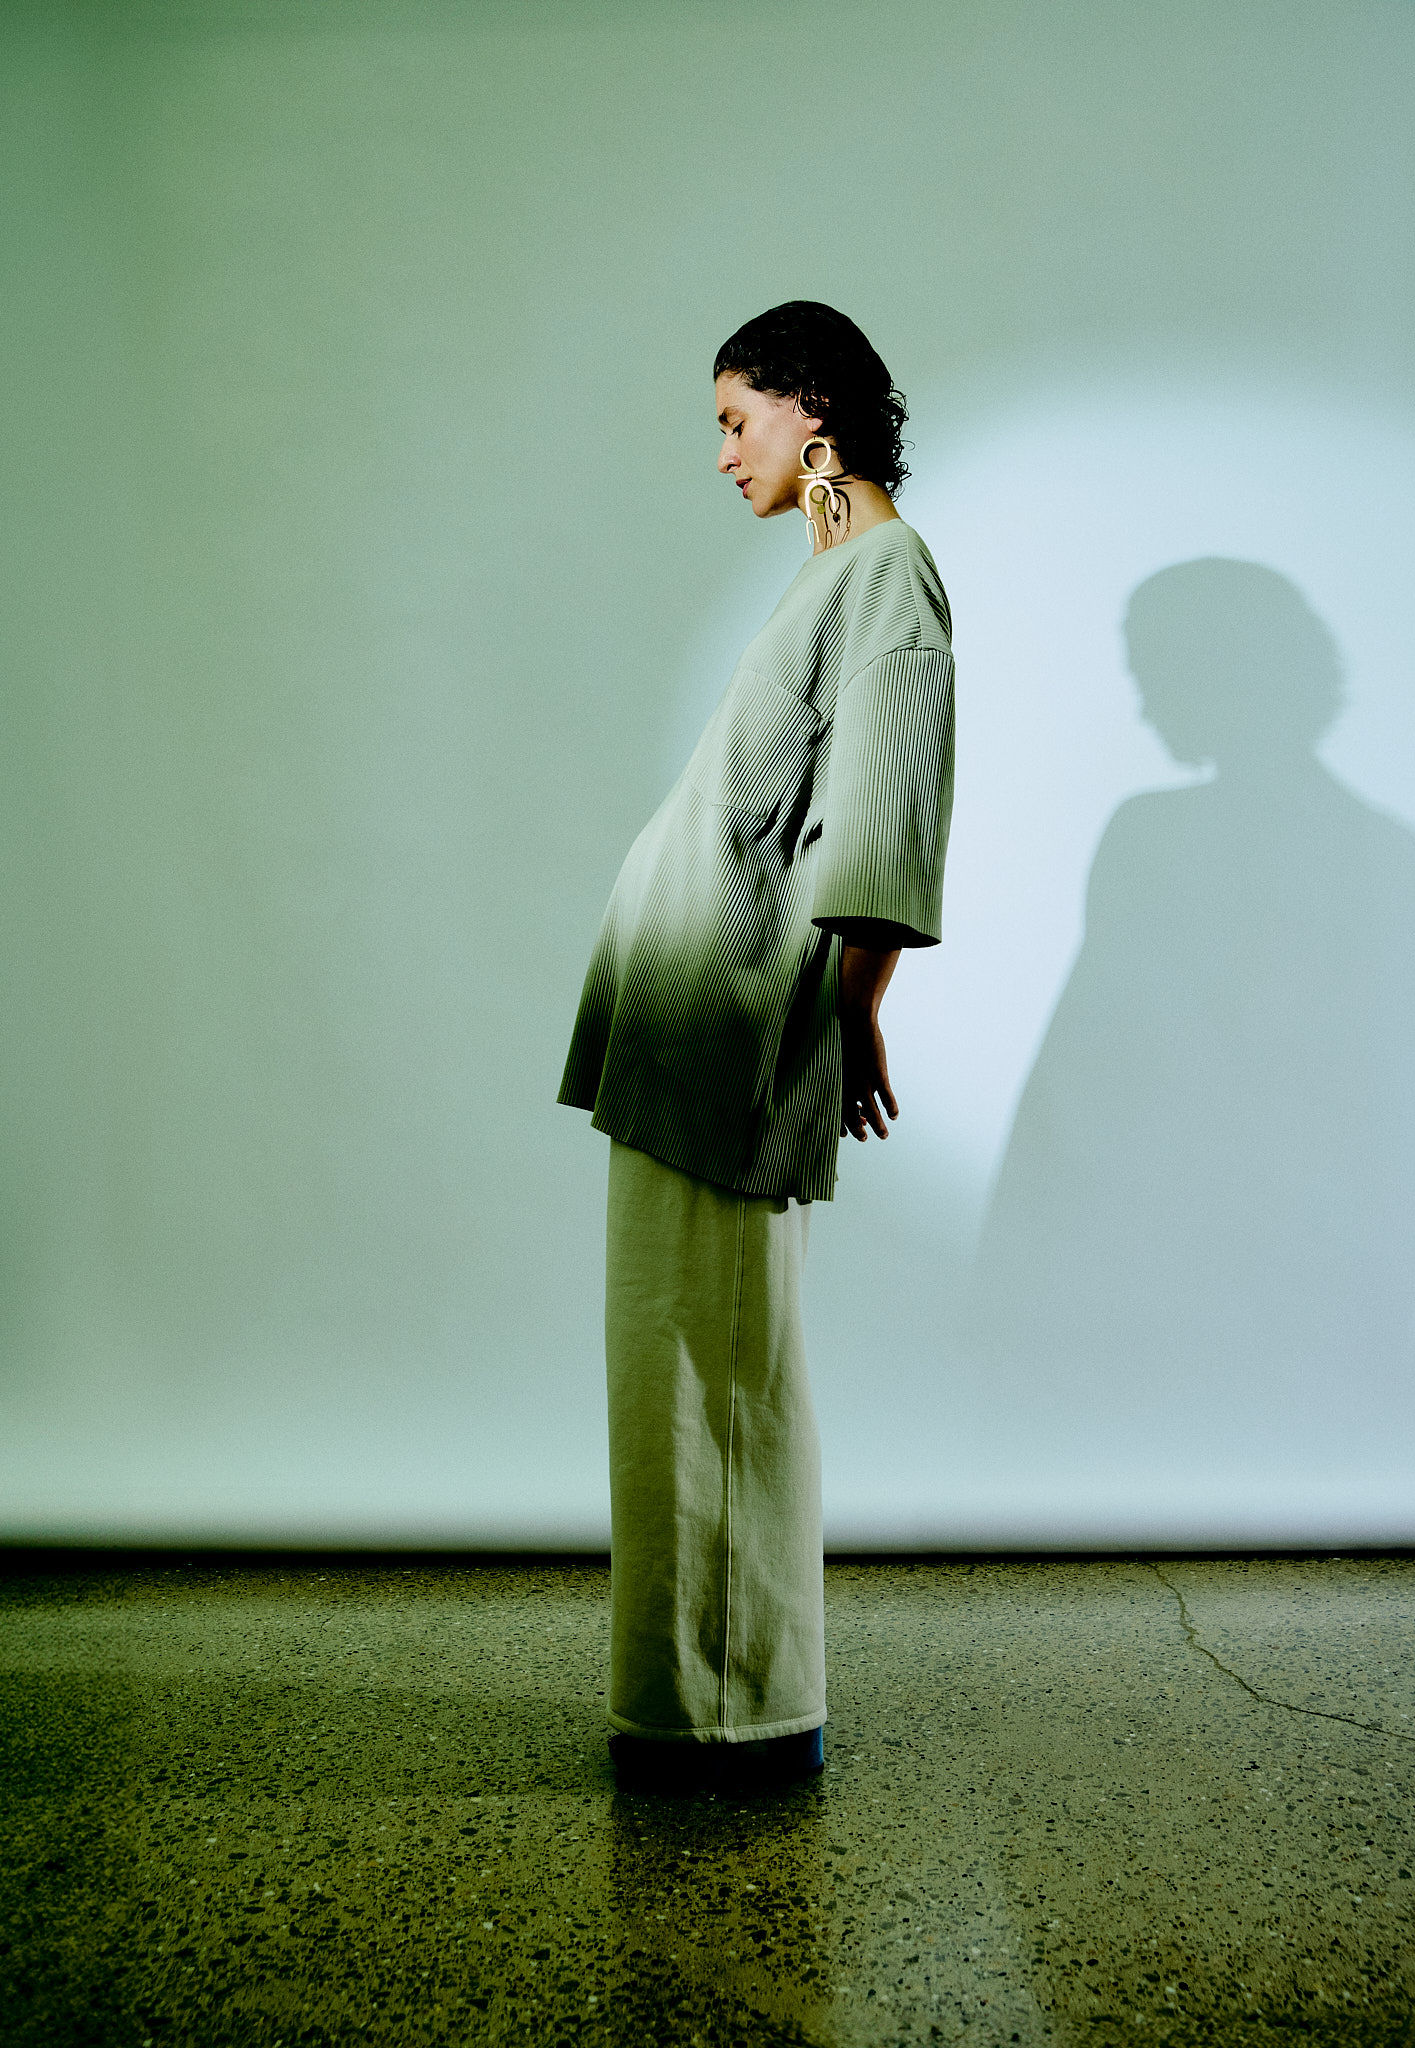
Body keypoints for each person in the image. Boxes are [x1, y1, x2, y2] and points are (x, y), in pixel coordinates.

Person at [558, 301, 956, 1793]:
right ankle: (695, 1699)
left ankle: (728, 1714)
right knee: (679, 1357)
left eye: (737, 419)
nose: (724, 454)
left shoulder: (887, 574)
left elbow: (885, 814)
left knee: (716, 1363)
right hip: (686, 1009)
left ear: (814, 409)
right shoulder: (841, 569)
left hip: (731, 1014)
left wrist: (850, 1014)